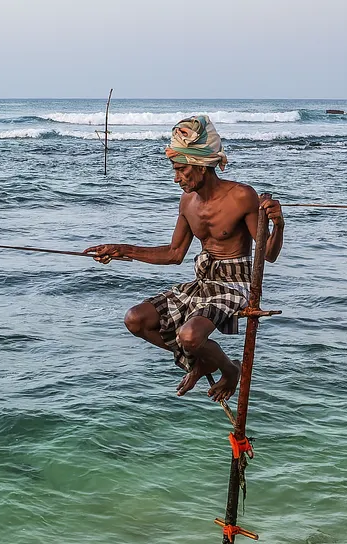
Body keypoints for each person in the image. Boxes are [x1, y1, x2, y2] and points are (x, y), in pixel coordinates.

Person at [85, 116, 284, 401]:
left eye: (181, 169)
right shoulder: (187, 202)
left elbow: (269, 255)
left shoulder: (242, 196)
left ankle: (229, 371)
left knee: (190, 337)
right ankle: (202, 361)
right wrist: (121, 250)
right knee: (135, 320)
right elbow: (174, 253)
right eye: (175, 170)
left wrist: (279, 225)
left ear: (201, 166)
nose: (176, 177)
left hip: (235, 284)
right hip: (202, 283)